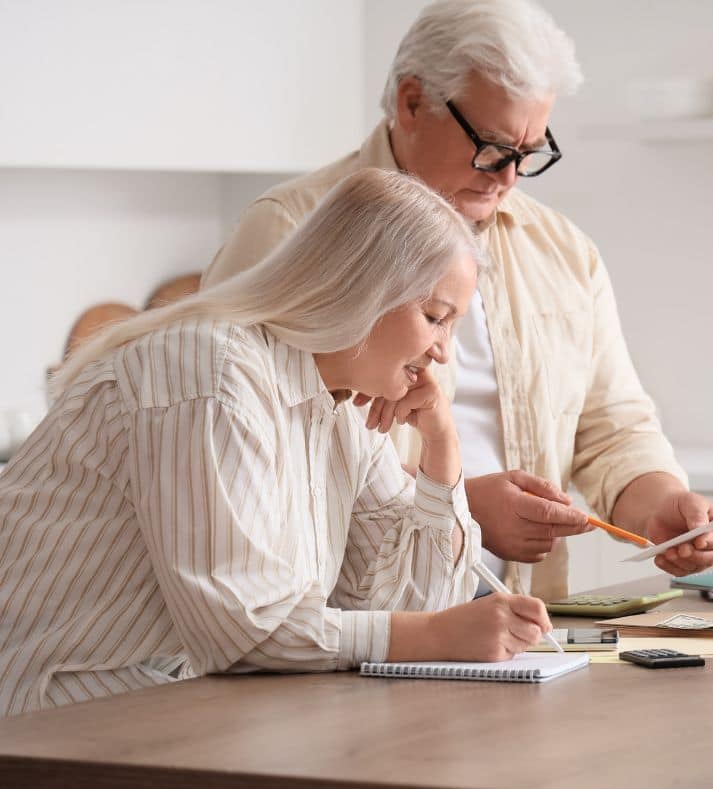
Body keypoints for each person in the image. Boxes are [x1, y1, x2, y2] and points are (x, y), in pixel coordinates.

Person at [204, 0, 713, 600]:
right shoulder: (289, 231)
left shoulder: (563, 252)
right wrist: (452, 500)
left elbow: (612, 428)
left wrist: (660, 504)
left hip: (519, 621)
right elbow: (236, 445)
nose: (507, 177)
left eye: (527, 154)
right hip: (347, 624)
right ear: (411, 103)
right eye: (492, 146)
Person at [0, 169, 553, 716]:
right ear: (365, 290)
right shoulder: (211, 374)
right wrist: (433, 635)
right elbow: (245, 631)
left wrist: (442, 445)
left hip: (187, 703)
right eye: (435, 318)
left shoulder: (342, 403)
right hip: (57, 711)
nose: (442, 353)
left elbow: (407, 602)